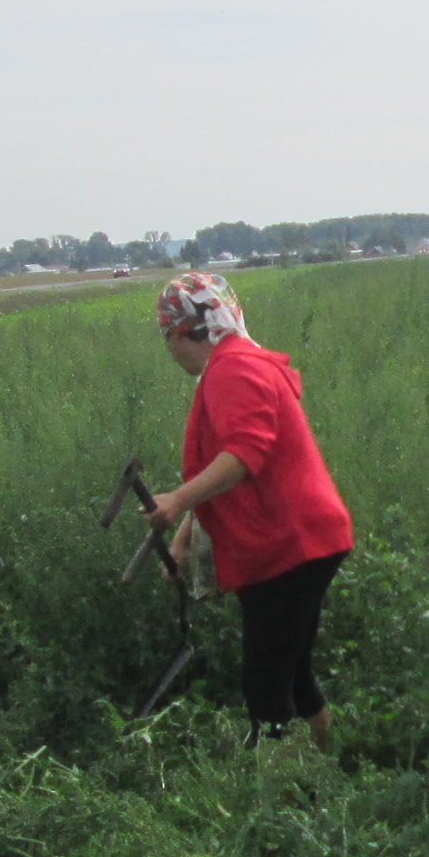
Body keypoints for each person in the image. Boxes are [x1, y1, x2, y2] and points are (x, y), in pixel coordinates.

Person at [140, 273, 354, 743]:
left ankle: (279, 803)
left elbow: (242, 458)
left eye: (166, 339)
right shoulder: (238, 364)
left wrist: (176, 500)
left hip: (289, 545)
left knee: (266, 686)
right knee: (293, 673)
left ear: (180, 331)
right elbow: (224, 470)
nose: (170, 352)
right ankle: (326, 775)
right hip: (299, 540)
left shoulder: (232, 370)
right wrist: (182, 542)